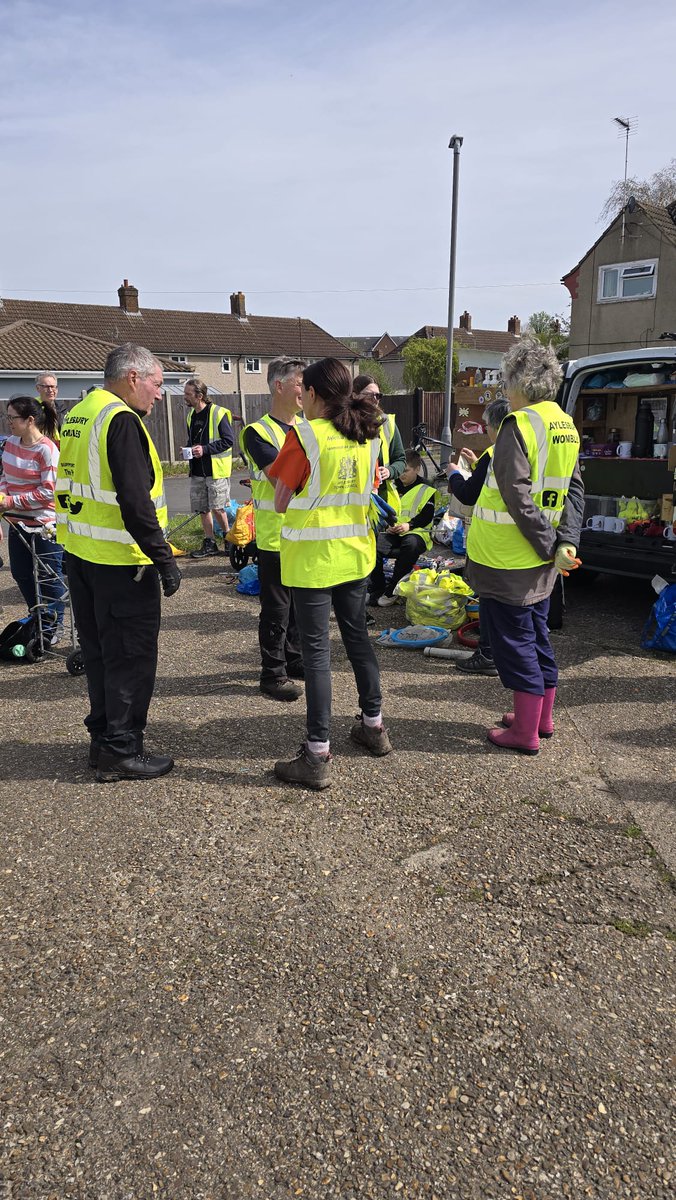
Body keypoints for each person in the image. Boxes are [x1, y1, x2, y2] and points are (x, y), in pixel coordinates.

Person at [55, 343, 182, 782]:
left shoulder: (81, 412)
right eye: (157, 384)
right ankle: (121, 750)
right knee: (129, 658)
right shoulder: (121, 420)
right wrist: (163, 558)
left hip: (82, 557)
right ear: (133, 377)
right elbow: (135, 499)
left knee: (101, 654)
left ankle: (102, 739)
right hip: (123, 563)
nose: (160, 394)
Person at [269, 357, 393, 790]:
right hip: (355, 556)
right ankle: (374, 728)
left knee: (318, 654)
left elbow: (282, 502)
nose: (299, 395)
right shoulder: (368, 436)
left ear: (316, 394)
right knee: (358, 641)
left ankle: (317, 754)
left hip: (313, 561)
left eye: (304, 389)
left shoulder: (303, 437)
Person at [464, 338, 584, 755]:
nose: (504, 391)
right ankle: (540, 718)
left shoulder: (518, 424)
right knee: (536, 636)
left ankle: (525, 733)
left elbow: (516, 494)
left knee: (514, 644)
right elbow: (575, 491)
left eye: (506, 380)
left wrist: (549, 543)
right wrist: (564, 541)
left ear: (521, 381)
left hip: (507, 558)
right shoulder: (566, 426)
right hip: (542, 560)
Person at [240, 357, 306, 700]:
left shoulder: (306, 427)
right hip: (274, 536)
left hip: (304, 534)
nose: (304, 390)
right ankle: (272, 674)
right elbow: (279, 476)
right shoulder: (257, 432)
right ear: (278, 386)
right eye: (299, 383)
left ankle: (293, 659)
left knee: (296, 606)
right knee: (277, 609)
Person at [446, 395, 510, 675]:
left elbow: (469, 494)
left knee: (489, 599)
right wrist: (476, 463)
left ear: (497, 426)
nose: (486, 431)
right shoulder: (514, 452)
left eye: (486, 426)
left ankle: (487, 654)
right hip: (515, 543)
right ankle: (501, 652)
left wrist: (454, 474)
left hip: (491, 544)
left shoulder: (495, 454)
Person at [0, 396, 66, 640]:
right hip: (16, 521)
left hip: (43, 523)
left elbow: (49, 491)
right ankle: (38, 616)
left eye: (12, 417)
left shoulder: (46, 449)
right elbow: (5, 475)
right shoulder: (10, 444)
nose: (8, 422)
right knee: (21, 572)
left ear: (30, 420)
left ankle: (53, 626)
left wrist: (12, 501)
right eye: (7, 417)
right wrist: (3, 494)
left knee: (49, 575)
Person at [368, 449, 437, 606]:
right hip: (393, 530)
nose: (401, 475)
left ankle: (393, 590)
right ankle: (376, 588)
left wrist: (409, 525)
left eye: (406, 471)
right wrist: (388, 525)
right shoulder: (392, 485)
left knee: (410, 545)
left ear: (417, 469)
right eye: (400, 471)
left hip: (417, 532)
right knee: (372, 545)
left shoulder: (426, 488)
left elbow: (427, 515)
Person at [182, 377, 234, 558]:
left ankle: (229, 539)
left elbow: (229, 441)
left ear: (200, 395)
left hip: (216, 471)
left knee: (218, 508)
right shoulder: (190, 415)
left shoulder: (218, 413)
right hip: (197, 470)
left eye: (188, 394)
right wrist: (188, 450)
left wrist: (204, 449)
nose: (184, 397)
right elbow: (193, 439)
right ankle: (210, 542)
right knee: (202, 509)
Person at [35, 372, 61, 444]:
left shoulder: (62, 409)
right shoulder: (32, 408)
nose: (50, 390)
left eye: (52, 386)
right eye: (46, 387)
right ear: (38, 388)